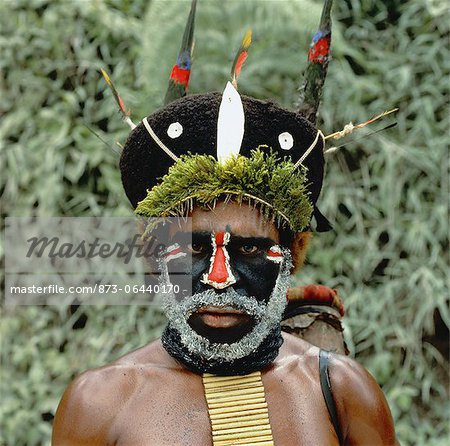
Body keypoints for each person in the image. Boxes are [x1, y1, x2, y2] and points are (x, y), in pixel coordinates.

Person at [52, 1, 399, 444]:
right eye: (196, 248)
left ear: (291, 256)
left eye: (250, 249)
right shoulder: (98, 404)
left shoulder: (344, 392)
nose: (220, 277)